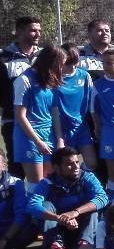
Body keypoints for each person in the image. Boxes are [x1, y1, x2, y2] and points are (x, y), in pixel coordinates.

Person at [26, 147, 108, 249]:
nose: (76, 167)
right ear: (56, 168)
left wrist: (75, 212)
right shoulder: (47, 182)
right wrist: (59, 218)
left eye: (77, 162)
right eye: (69, 164)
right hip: (58, 228)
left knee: (93, 208)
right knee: (46, 205)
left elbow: (103, 198)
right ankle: (56, 246)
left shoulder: (87, 177)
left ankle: (84, 245)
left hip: (82, 226)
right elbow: (33, 206)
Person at [13, 45, 66, 184]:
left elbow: (54, 111)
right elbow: (20, 116)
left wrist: (59, 139)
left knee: (50, 182)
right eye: (60, 65)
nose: (62, 69)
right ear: (51, 62)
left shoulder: (50, 80)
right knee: (36, 184)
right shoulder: (24, 80)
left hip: (48, 135)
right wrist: (37, 142)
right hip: (29, 138)